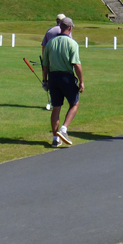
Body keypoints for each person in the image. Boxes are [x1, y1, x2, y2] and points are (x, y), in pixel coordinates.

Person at [41, 17, 83, 148]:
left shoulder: (50, 43)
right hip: (66, 77)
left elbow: (45, 65)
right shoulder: (72, 43)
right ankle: (63, 130)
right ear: (70, 28)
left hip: (53, 77)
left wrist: (44, 80)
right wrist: (81, 81)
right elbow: (76, 64)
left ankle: (55, 138)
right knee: (75, 103)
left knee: (56, 107)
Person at [39, 12, 66, 92]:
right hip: (62, 59)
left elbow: (44, 46)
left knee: (51, 77)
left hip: (51, 58)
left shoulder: (50, 31)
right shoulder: (66, 31)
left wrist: (44, 59)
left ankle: (45, 83)